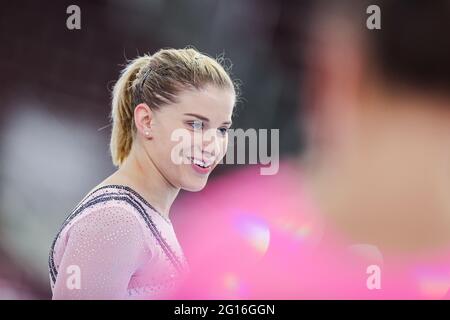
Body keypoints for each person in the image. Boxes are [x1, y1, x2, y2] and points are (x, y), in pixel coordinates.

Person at [48, 48, 237, 299]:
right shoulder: (115, 220)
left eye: (222, 130)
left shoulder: (142, 216)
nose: (212, 144)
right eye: (196, 125)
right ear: (147, 121)